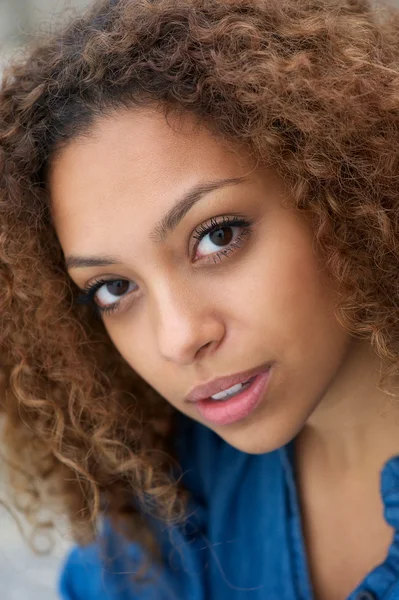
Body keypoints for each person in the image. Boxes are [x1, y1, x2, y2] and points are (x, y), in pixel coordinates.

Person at [0, 0, 399, 598]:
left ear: (343, 180)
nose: (180, 337)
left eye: (217, 236)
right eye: (114, 287)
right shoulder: (171, 514)